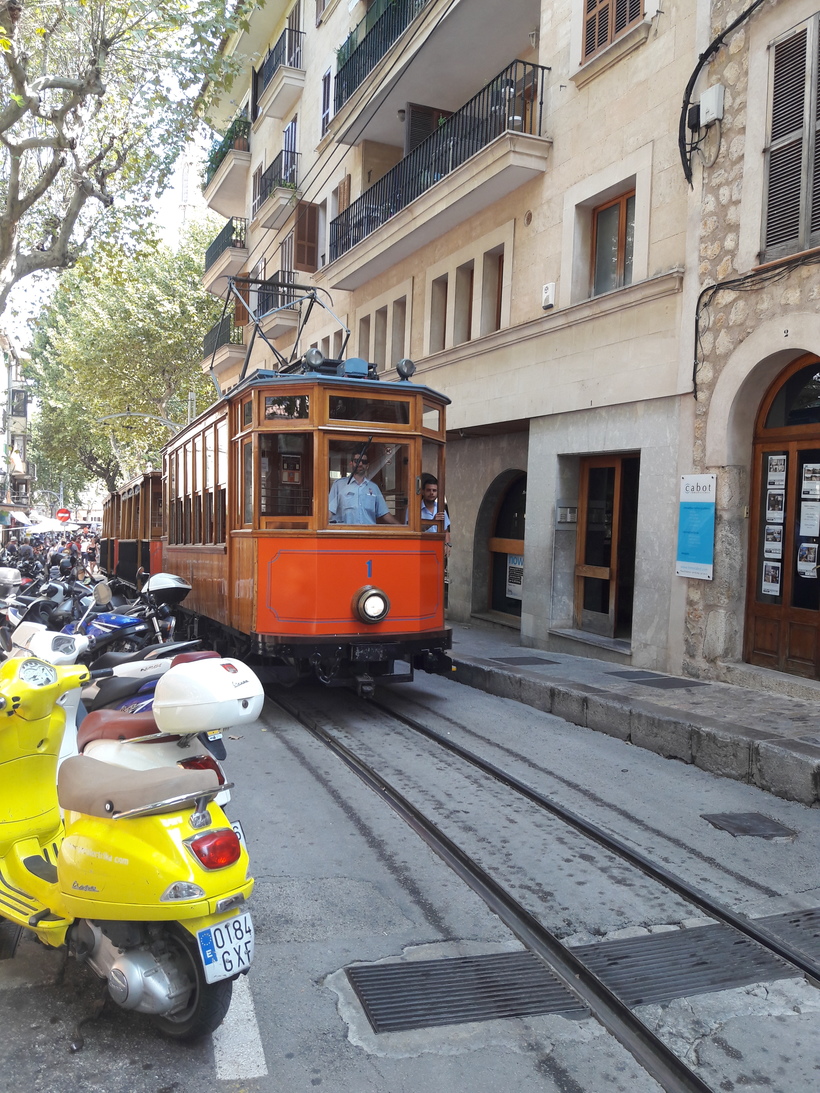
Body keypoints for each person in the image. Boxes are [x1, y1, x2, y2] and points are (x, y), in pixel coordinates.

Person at [328, 451, 399, 525]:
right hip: (346, 531)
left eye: (364, 462)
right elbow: (329, 511)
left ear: (367, 466)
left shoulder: (374, 487)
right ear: (351, 464)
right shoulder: (339, 485)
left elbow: (384, 513)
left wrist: (401, 527)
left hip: (368, 531)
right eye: (357, 461)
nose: (360, 464)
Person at [420, 474, 451, 557]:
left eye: (434, 490)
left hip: (437, 549)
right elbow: (413, 530)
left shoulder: (441, 508)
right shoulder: (414, 509)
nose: (431, 493)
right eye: (428, 490)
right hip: (421, 549)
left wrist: (447, 545)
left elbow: (446, 531)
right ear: (423, 491)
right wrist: (433, 522)